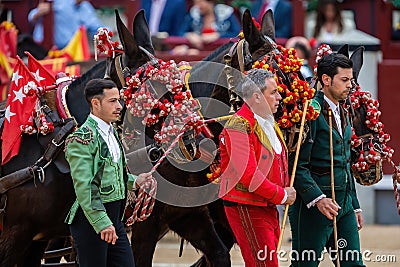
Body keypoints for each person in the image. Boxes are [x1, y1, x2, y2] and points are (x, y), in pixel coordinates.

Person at [64, 78, 153, 266]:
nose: (119, 106)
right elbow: (85, 186)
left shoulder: (111, 132)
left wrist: (135, 181)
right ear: (95, 103)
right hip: (91, 222)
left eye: (119, 100)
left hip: (114, 220)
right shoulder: (80, 139)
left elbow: (111, 174)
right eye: (112, 101)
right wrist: (102, 222)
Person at [288, 52, 365, 266]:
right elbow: (296, 166)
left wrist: (355, 205)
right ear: (326, 80)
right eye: (345, 80)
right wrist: (318, 199)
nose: (350, 85)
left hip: (344, 206)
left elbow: (346, 162)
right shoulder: (309, 112)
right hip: (313, 206)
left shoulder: (344, 110)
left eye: (351, 80)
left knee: (354, 264)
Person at [218, 68, 296, 266]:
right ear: (256, 97)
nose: (279, 97)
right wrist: (282, 195)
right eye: (273, 92)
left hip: (266, 205)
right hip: (248, 206)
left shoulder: (267, 122)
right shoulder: (238, 126)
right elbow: (249, 176)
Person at [28, 0, 103, 49]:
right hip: (41, 49)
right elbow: (31, 17)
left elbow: (95, 27)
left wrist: (108, 33)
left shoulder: (83, 6)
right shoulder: (53, 2)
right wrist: (38, 13)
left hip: (69, 51)